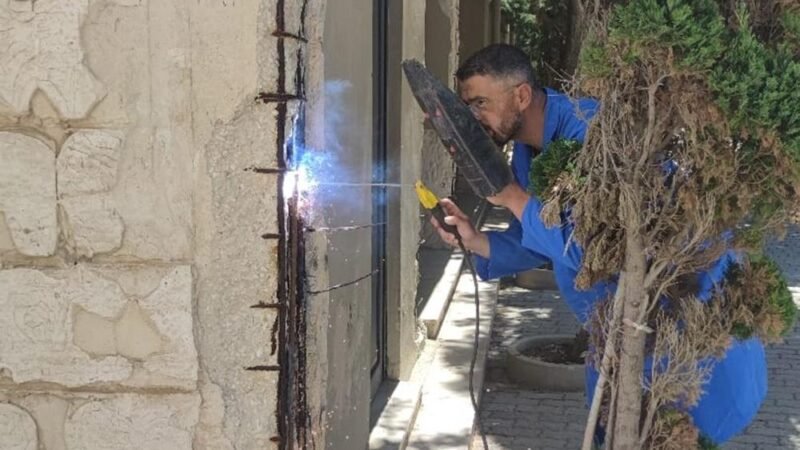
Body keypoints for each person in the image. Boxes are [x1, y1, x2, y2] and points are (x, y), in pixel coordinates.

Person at [431, 43, 766, 445]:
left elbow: (600, 250)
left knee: (673, 435)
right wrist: (477, 240)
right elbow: (538, 241)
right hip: (619, 335)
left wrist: (513, 198)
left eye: (481, 103)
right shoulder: (528, 148)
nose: (474, 119)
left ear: (521, 95)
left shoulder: (594, 135)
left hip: (681, 331)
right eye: (468, 106)